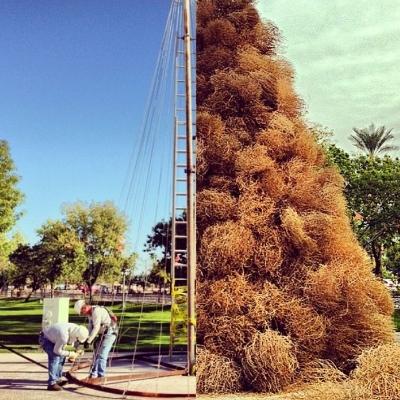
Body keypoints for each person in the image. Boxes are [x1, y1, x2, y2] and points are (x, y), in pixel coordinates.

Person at [74, 300, 118, 380]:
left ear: (84, 307)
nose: (82, 314)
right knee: (96, 354)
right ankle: (93, 375)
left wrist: (89, 341)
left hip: (110, 333)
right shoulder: (90, 313)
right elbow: (91, 327)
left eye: (81, 312)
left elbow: (96, 327)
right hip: (103, 333)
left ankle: (101, 376)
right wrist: (86, 339)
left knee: (102, 355)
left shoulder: (96, 311)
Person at [39, 322, 88, 391]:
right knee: (55, 357)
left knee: (62, 357)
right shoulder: (64, 335)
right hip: (45, 339)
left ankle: (58, 380)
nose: (77, 341)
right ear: (76, 336)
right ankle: (52, 383)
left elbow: (69, 344)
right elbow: (57, 351)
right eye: (77, 339)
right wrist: (71, 354)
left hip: (53, 339)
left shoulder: (74, 329)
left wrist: (75, 351)